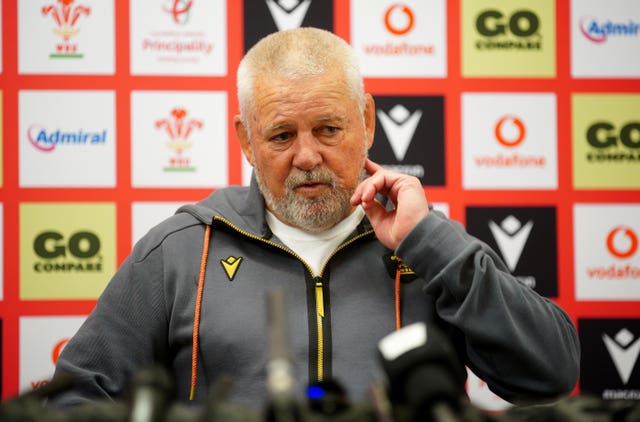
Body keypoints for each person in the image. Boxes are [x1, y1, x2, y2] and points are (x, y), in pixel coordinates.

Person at [51, 27, 580, 410]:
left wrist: (428, 242)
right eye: (282, 135)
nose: (307, 156)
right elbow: (73, 399)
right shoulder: (180, 251)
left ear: (367, 121)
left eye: (328, 129)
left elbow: (550, 374)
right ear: (246, 140)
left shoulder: (429, 250)